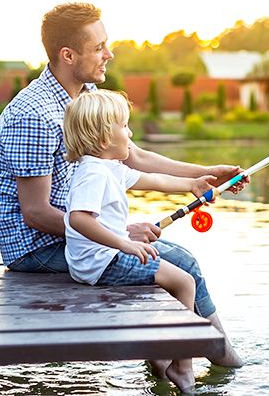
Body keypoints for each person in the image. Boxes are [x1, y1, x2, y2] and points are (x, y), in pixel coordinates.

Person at [0, 2, 243, 369]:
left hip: (80, 232)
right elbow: (36, 213)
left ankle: (174, 358)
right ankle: (222, 358)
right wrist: (119, 232)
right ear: (68, 55)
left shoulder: (86, 94)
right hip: (36, 248)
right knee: (181, 261)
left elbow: (133, 157)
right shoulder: (33, 115)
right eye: (99, 47)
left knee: (171, 259)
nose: (110, 54)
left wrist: (201, 174)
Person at [63, 89, 218, 392]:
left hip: (105, 257)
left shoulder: (110, 168)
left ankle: (161, 358)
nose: (130, 132)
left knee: (176, 279)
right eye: (124, 126)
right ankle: (183, 367)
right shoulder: (93, 173)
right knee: (184, 282)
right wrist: (125, 243)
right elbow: (78, 219)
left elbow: (156, 181)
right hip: (102, 262)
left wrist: (192, 185)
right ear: (105, 140)